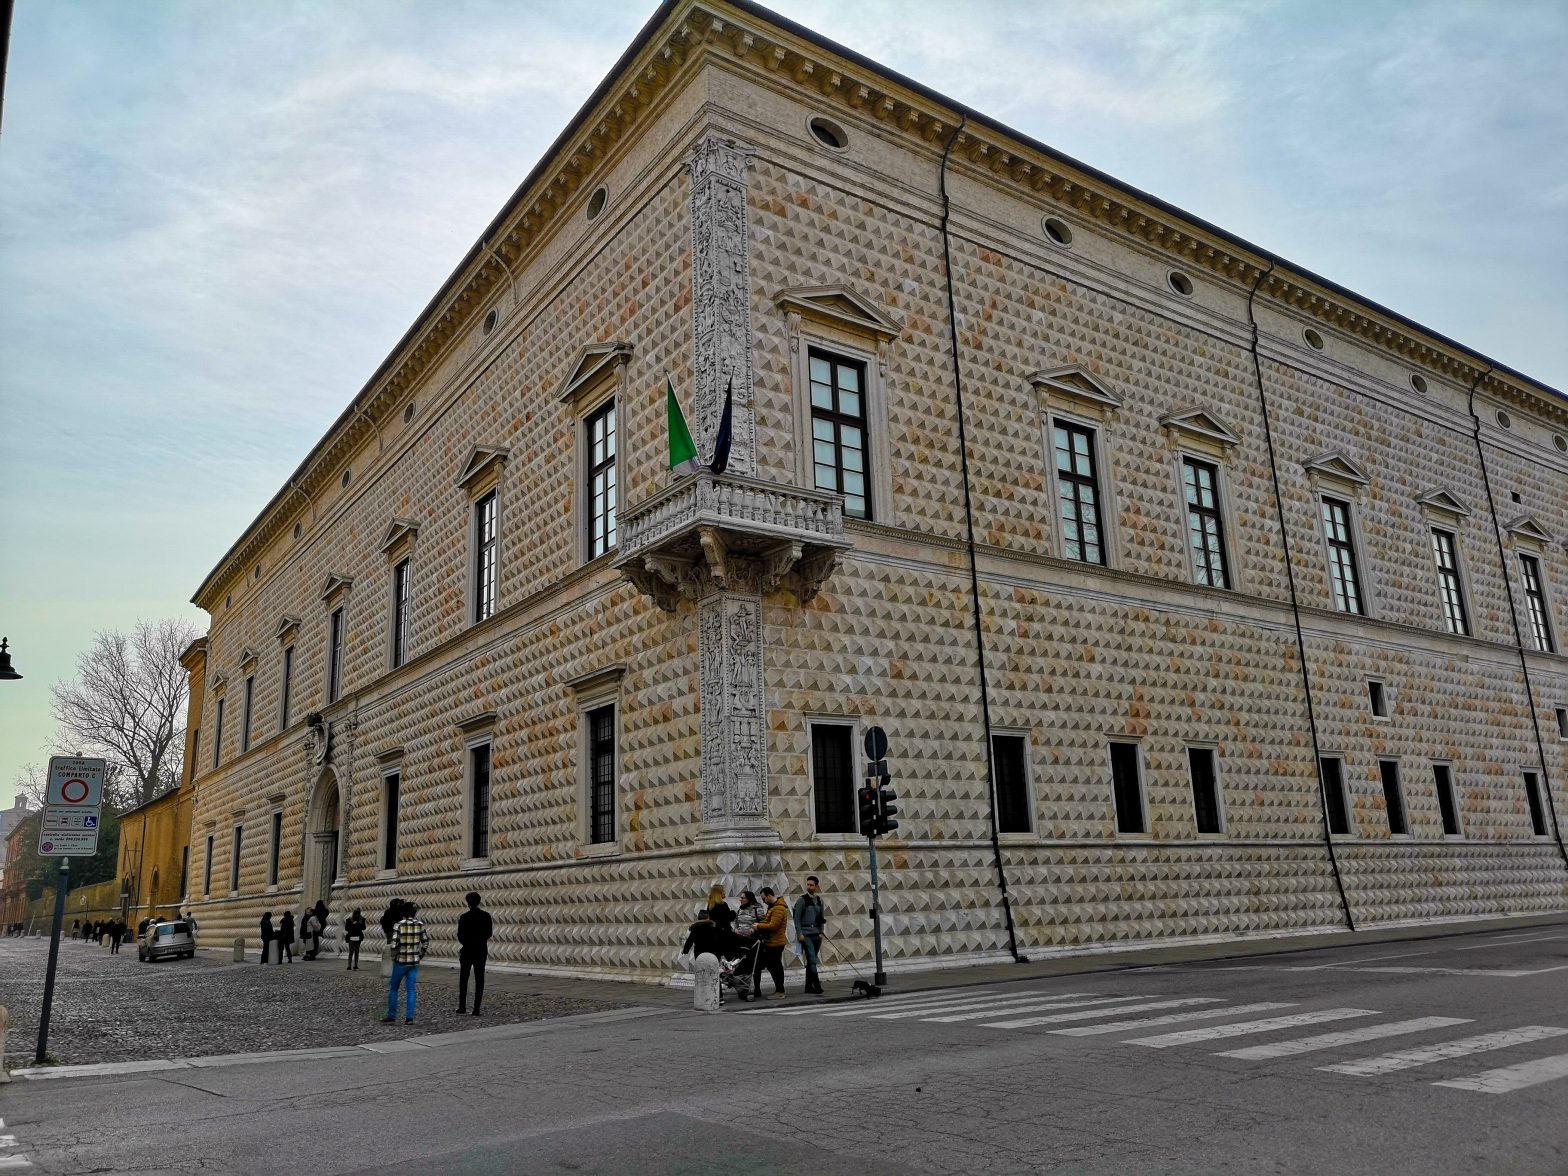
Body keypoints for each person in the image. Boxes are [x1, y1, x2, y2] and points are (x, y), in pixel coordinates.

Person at [382, 901, 429, 1024]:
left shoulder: (399, 925)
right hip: (413, 963)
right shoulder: (420, 925)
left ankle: (392, 1015)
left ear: (403, 913)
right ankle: (409, 1018)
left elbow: (394, 944)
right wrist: (420, 955)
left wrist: (394, 957)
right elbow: (425, 943)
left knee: (394, 989)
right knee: (411, 990)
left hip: (400, 962)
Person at [456, 891, 493, 1016]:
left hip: (467, 950)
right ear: (479, 901)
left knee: (463, 979)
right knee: (479, 979)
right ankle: (476, 1008)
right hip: (481, 950)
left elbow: (460, 936)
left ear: (468, 902)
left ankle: (462, 1006)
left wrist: (468, 942)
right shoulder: (486, 916)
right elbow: (489, 933)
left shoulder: (464, 917)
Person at [793, 875, 827, 995]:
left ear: (816, 886)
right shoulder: (802, 900)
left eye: (811, 885)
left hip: (816, 934)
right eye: (808, 884)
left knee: (811, 961)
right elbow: (796, 918)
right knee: (812, 958)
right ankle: (817, 985)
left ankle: (808, 986)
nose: (809, 887)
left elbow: (821, 917)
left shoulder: (819, 900)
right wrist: (799, 933)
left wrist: (821, 931)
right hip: (805, 933)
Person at [753, 887, 789, 999]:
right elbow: (769, 922)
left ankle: (780, 991)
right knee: (773, 966)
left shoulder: (778, 908)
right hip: (772, 942)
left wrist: (758, 925)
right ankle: (779, 990)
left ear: (769, 896)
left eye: (764, 898)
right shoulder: (773, 907)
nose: (763, 901)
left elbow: (773, 926)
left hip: (776, 942)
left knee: (775, 966)